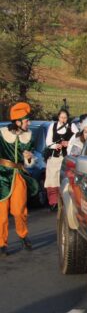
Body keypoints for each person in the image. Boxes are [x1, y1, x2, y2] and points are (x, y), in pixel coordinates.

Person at [0, 102, 38, 256]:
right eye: (26, 120)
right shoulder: (2, 134)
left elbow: (30, 162)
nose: (29, 123)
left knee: (19, 210)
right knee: (1, 214)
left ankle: (23, 235)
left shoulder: (28, 137)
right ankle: (2, 243)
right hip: (2, 176)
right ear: (17, 122)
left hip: (19, 176)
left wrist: (29, 158)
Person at [45, 109, 78, 211]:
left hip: (66, 157)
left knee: (64, 178)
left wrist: (68, 143)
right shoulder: (53, 126)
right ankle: (53, 202)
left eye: (65, 117)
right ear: (58, 117)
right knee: (52, 178)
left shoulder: (72, 126)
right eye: (61, 117)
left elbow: (77, 139)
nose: (63, 119)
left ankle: (64, 200)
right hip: (54, 156)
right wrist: (56, 145)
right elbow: (48, 142)